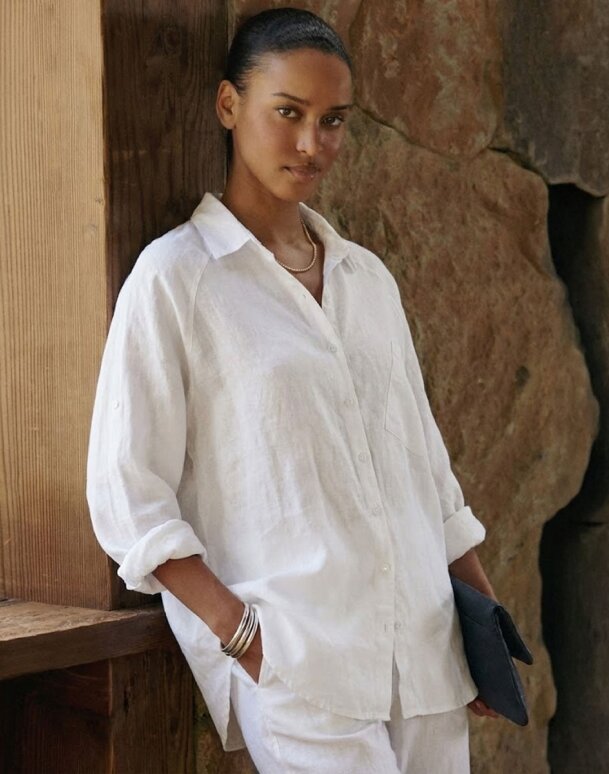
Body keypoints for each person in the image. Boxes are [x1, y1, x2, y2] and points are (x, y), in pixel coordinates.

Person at [86, 7, 499, 773]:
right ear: (228, 104)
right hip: (303, 668)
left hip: (427, 657)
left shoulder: (366, 279)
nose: (312, 144)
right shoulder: (177, 279)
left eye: (332, 120)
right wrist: (247, 639)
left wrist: (485, 625)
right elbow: (127, 495)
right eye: (288, 113)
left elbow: (426, 473)